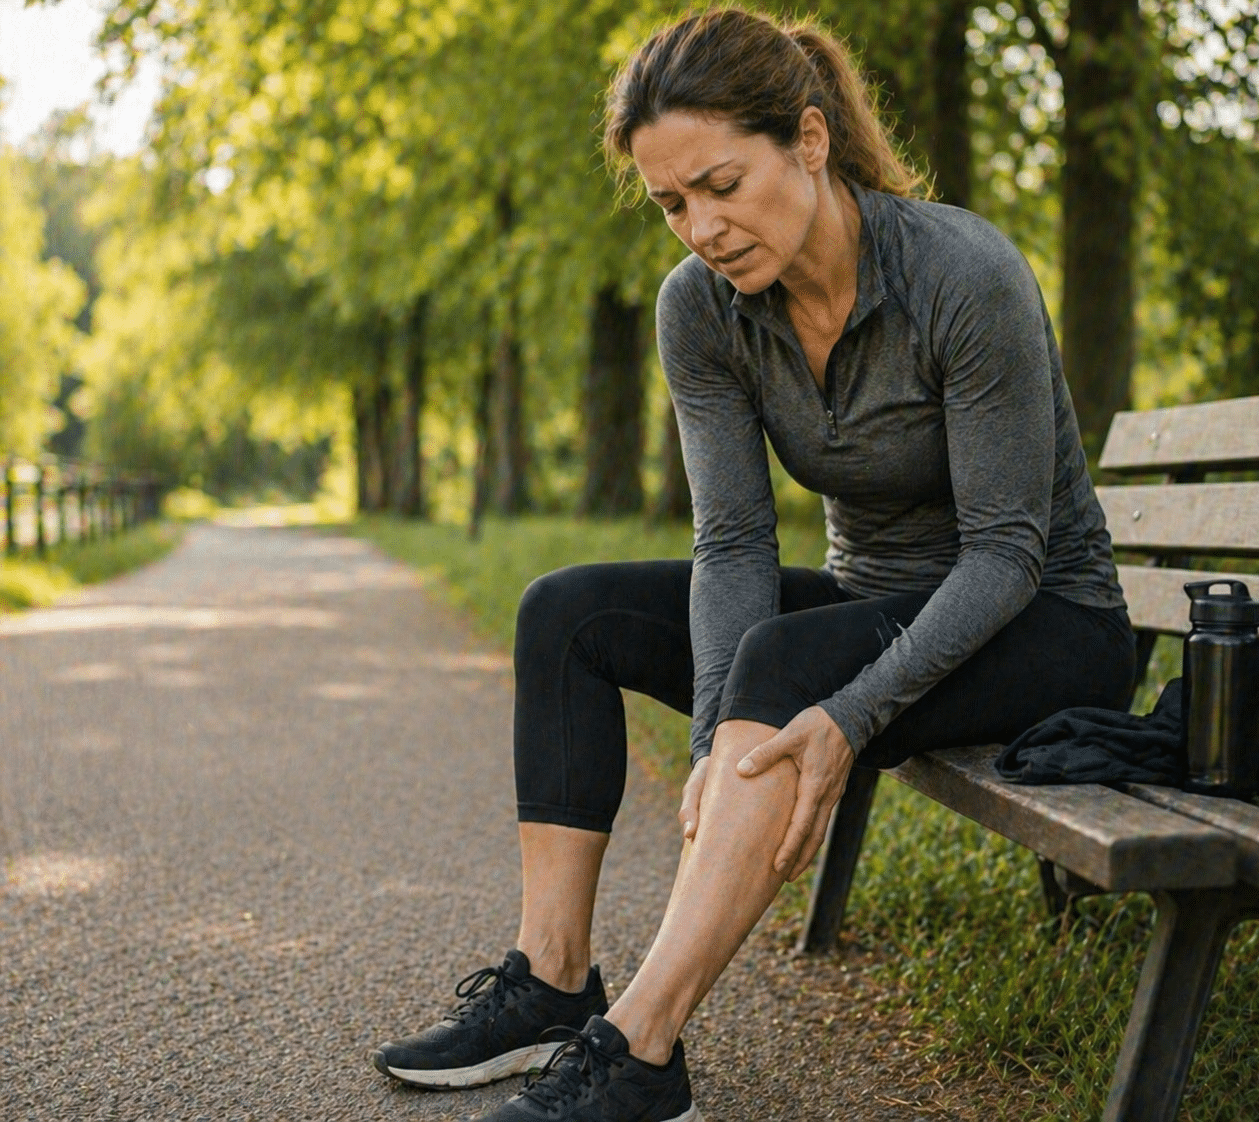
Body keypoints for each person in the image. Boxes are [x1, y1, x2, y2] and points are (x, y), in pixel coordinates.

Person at [370, 8, 1136, 1121]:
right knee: (565, 613)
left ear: (810, 143)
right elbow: (731, 541)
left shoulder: (962, 274)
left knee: (787, 660)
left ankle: (640, 1050)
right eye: (673, 203)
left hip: (1045, 624)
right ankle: (550, 979)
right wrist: (710, 735)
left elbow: (1007, 553)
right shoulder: (704, 313)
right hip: (869, 610)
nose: (702, 229)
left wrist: (853, 709)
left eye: (722, 184)